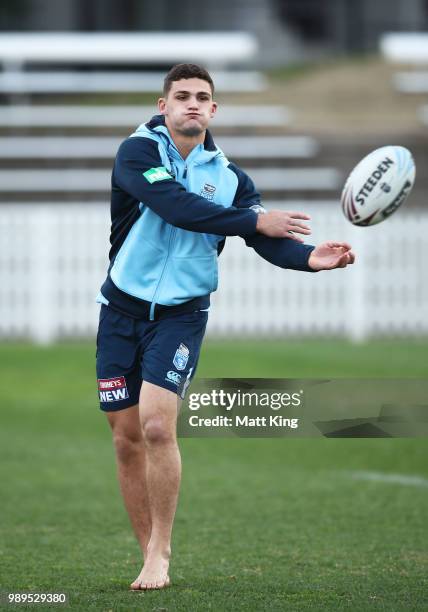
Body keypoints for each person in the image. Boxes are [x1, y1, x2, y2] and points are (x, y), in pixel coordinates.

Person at [95, 63, 355, 591]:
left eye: (202, 97)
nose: (192, 103)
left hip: (182, 315)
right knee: (125, 439)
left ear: (214, 111)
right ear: (163, 105)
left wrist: (308, 257)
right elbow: (175, 206)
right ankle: (147, 550)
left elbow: (266, 239)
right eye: (182, 96)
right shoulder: (137, 152)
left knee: (156, 427)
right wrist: (254, 220)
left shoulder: (232, 178)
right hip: (119, 312)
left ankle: (160, 554)